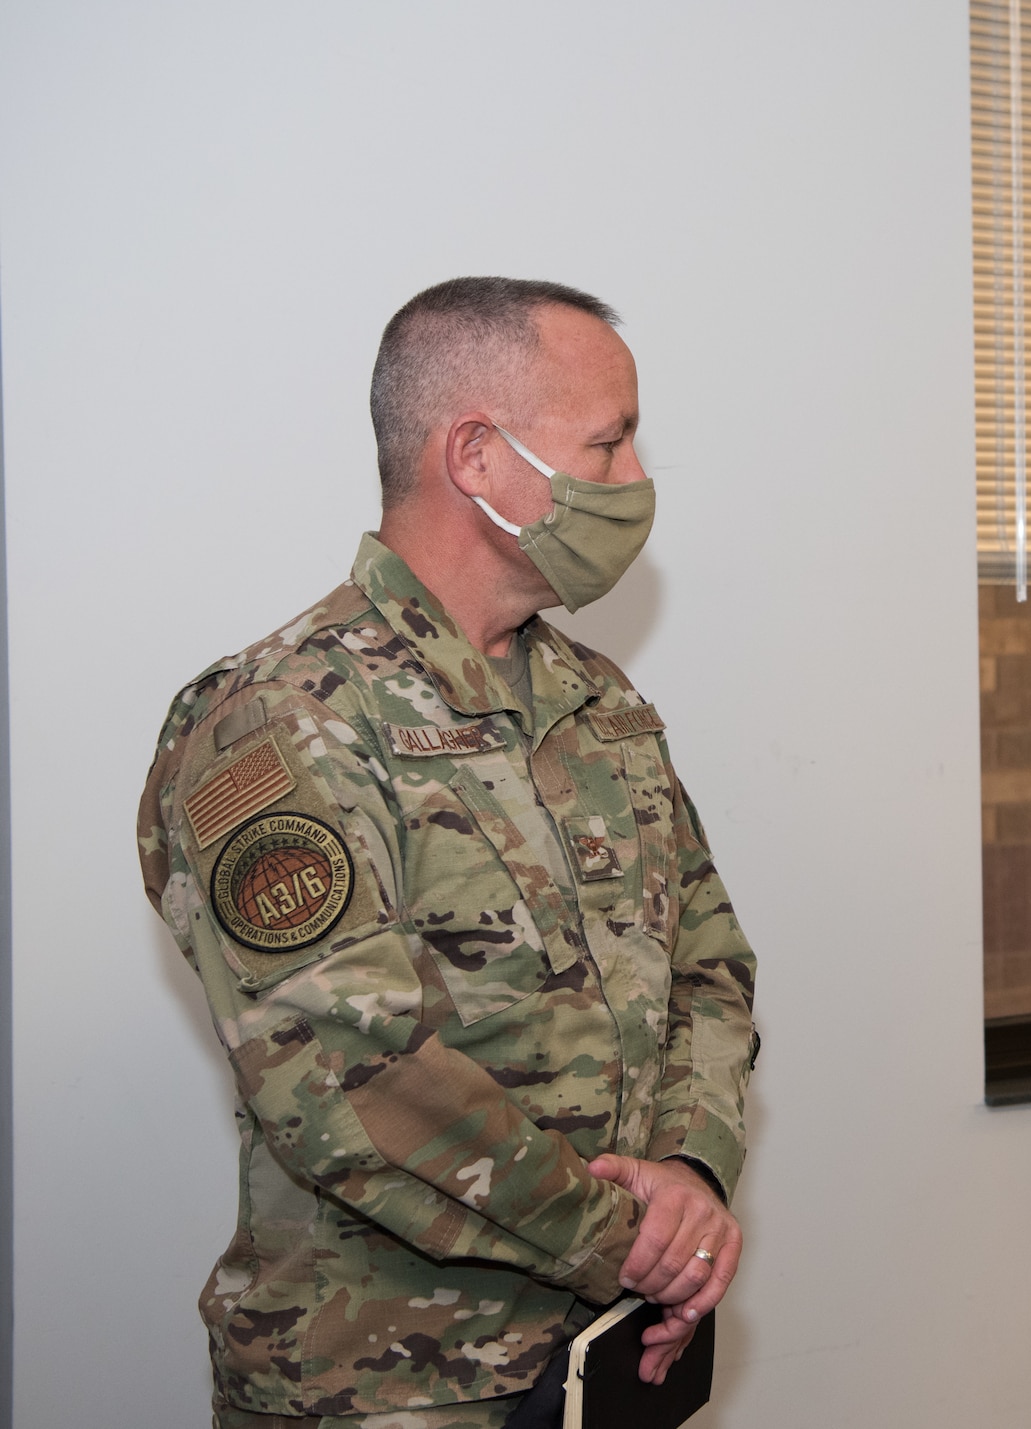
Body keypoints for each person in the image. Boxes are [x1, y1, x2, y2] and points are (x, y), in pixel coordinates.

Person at [136, 277, 758, 1429]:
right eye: (607, 445)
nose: (633, 484)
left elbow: (709, 962)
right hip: (386, 1391)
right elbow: (348, 1075)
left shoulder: (595, 698)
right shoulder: (281, 718)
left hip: (605, 1364)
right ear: (477, 455)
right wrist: (635, 1244)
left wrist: (693, 1168)